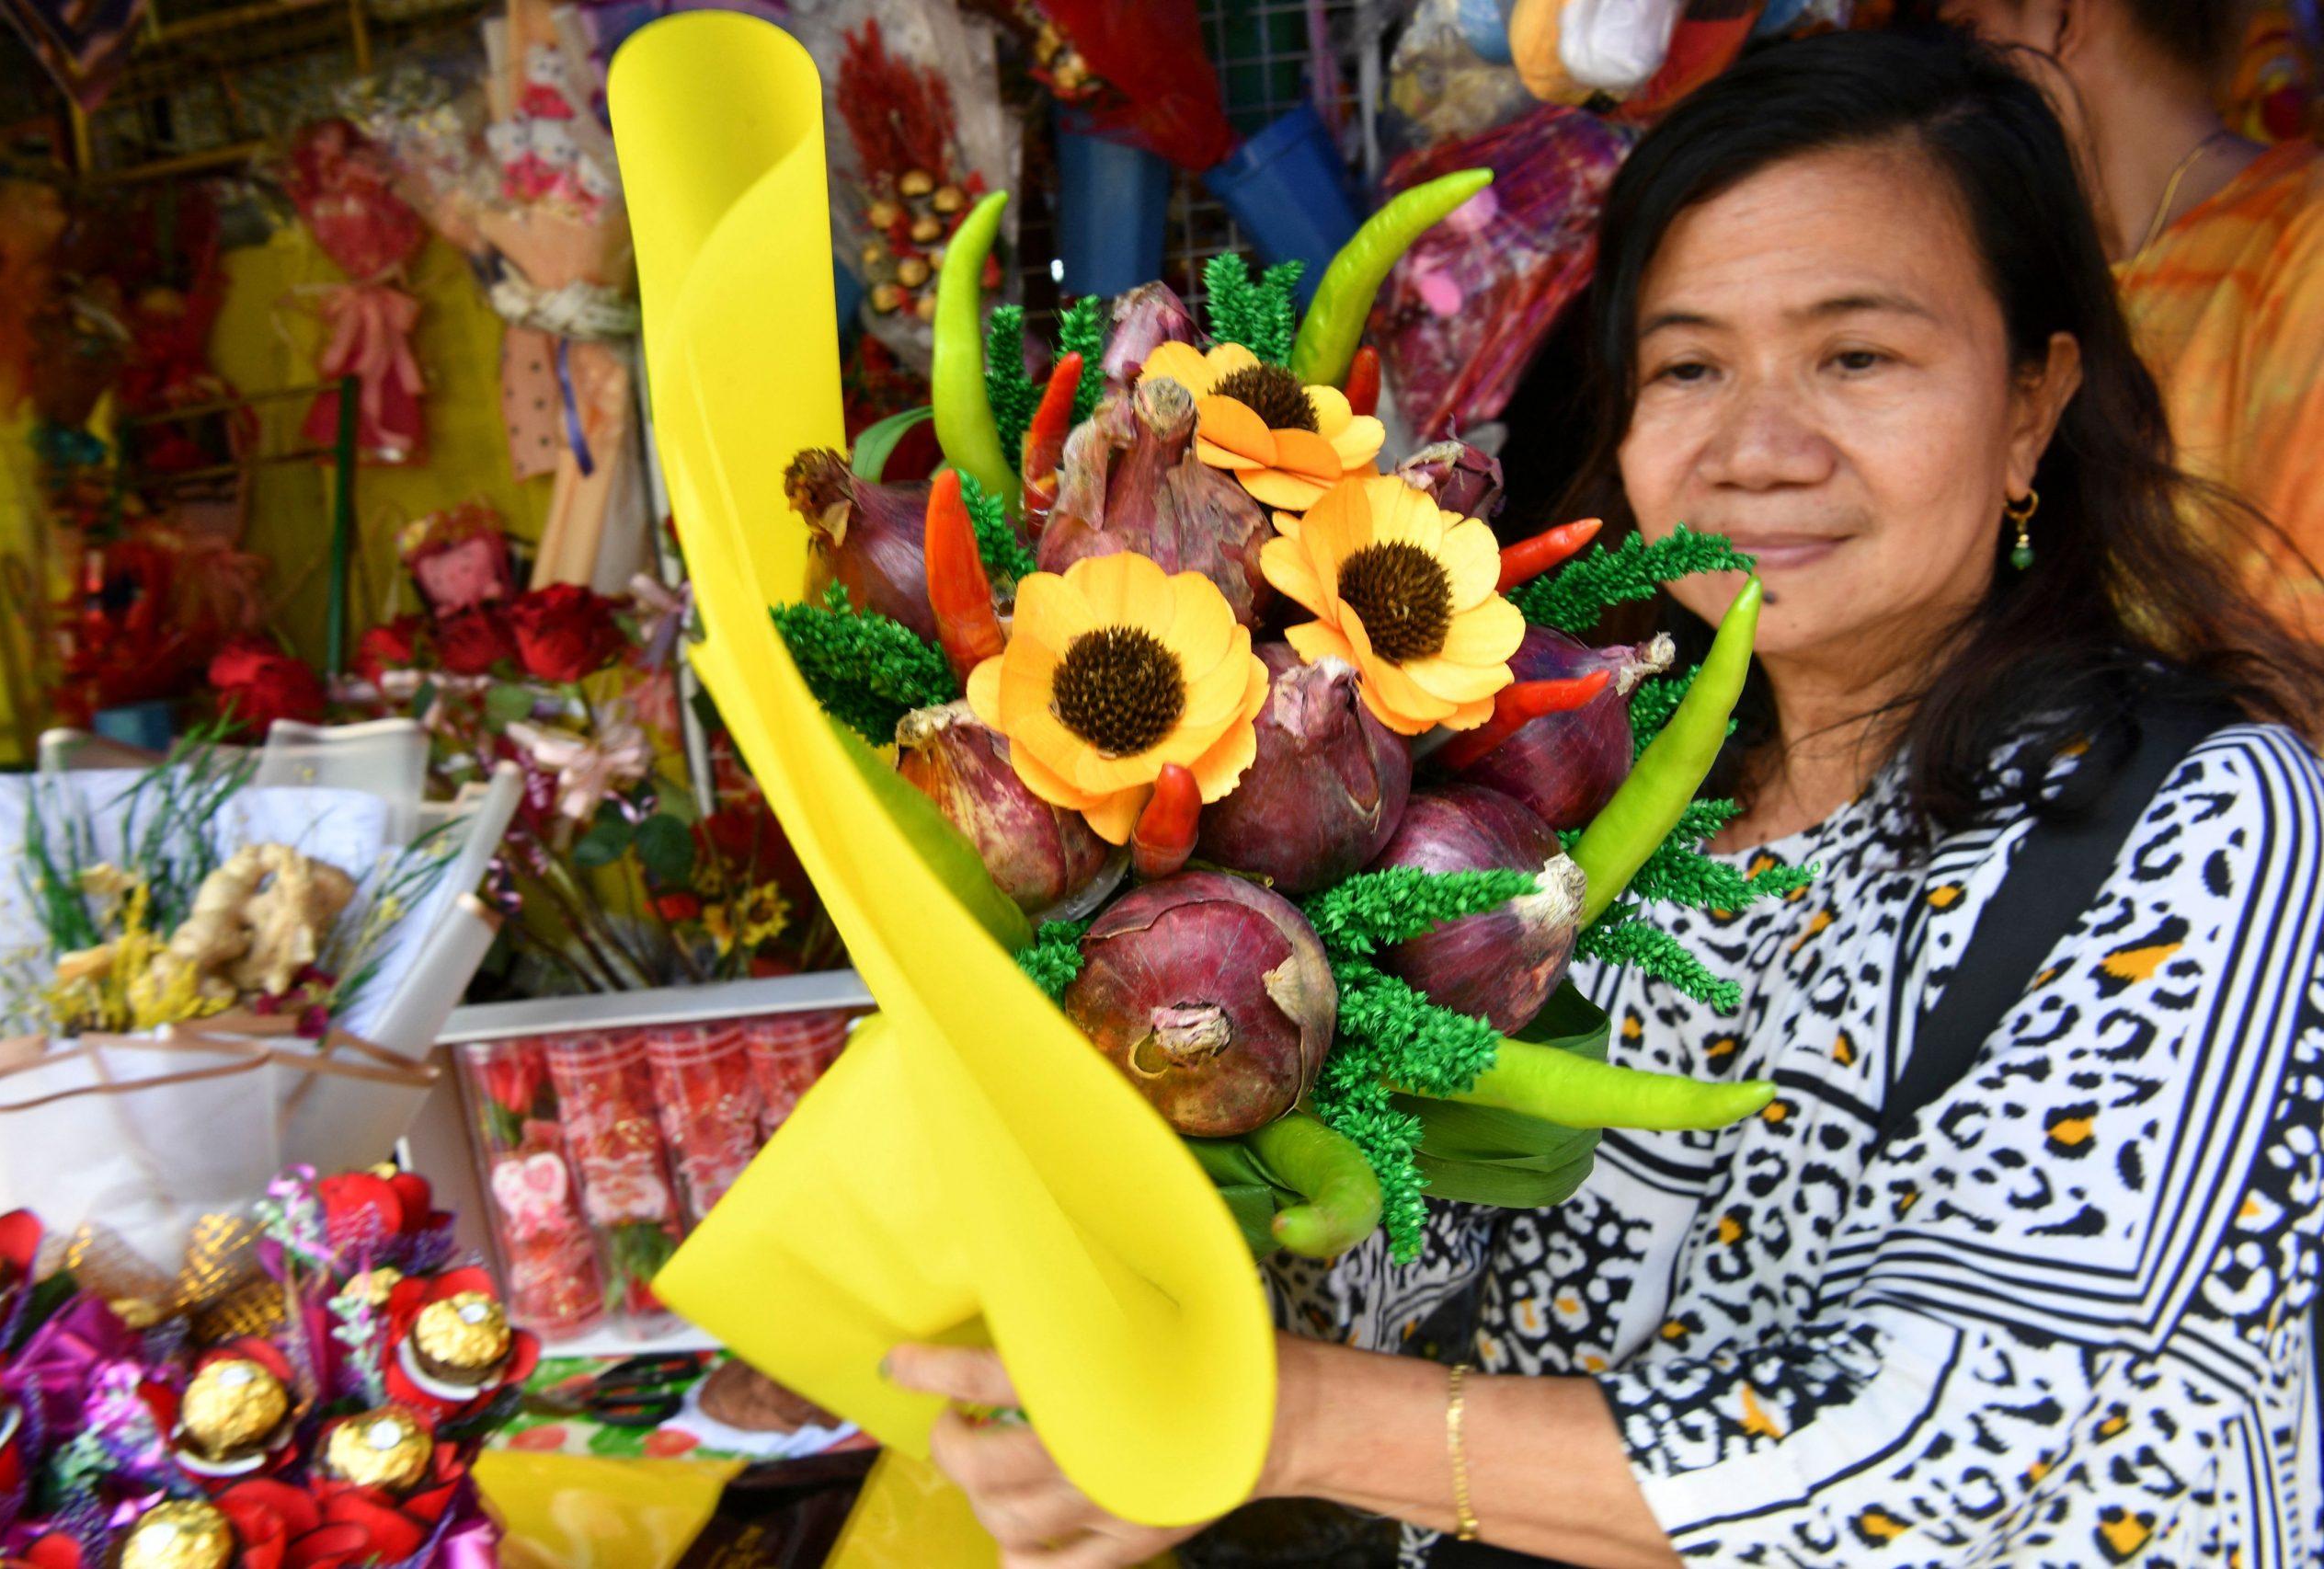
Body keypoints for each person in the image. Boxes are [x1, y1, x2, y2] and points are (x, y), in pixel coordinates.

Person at [886, 27, 2324, 1569]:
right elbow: (1383, 1274)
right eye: (1691, 365)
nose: (1760, 447)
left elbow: (1935, 1441)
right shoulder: (1582, 814)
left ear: (2033, 403)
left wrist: (1272, 1414)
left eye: (1859, 356)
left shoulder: (2205, 820)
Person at [1938, 0, 2324, 638]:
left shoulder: (2305, 241)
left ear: (2061, 20)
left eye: (1961, 33)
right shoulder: (1992, 269)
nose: (1937, 77)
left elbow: (2299, 659)